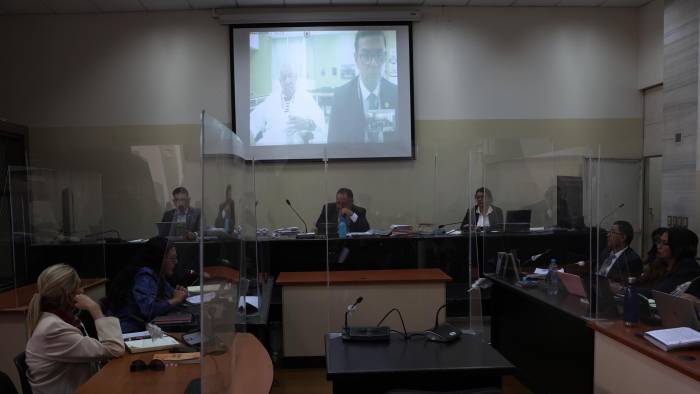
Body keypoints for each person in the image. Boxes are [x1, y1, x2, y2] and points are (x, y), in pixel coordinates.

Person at [25, 264, 124, 394]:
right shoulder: (53, 329)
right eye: (79, 286)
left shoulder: (60, 320)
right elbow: (115, 348)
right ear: (68, 294)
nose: (82, 291)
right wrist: (95, 309)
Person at [328, 30, 398, 144]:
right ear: (356, 58)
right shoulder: (340, 97)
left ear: (385, 57)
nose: (373, 63)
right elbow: (333, 144)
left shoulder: (397, 94)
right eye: (366, 56)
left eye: (379, 55)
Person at [104, 237, 188, 333]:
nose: (176, 262)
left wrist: (179, 294)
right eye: (172, 258)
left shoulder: (157, 274)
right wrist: (176, 300)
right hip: (129, 331)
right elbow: (148, 309)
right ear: (160, 258)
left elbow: (170, 293)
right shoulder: (144, 276)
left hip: (144, 328)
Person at [250, 64, 327, 146]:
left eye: (290, 76)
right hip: (268, 147)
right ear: (280, 81)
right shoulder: (271, 99)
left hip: (294, 150)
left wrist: (307, 124)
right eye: (284, 78)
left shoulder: (306, 98)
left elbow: (320, 123)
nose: (287, 81)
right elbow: (252, 122)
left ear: (296, 77)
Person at [641, 227, 700, 295]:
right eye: (659, 242)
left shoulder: (688, 268)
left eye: (664, 243)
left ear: (678, 246)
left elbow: (659, 293)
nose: (659, 246)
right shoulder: (660, 264)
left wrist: (632, 290)